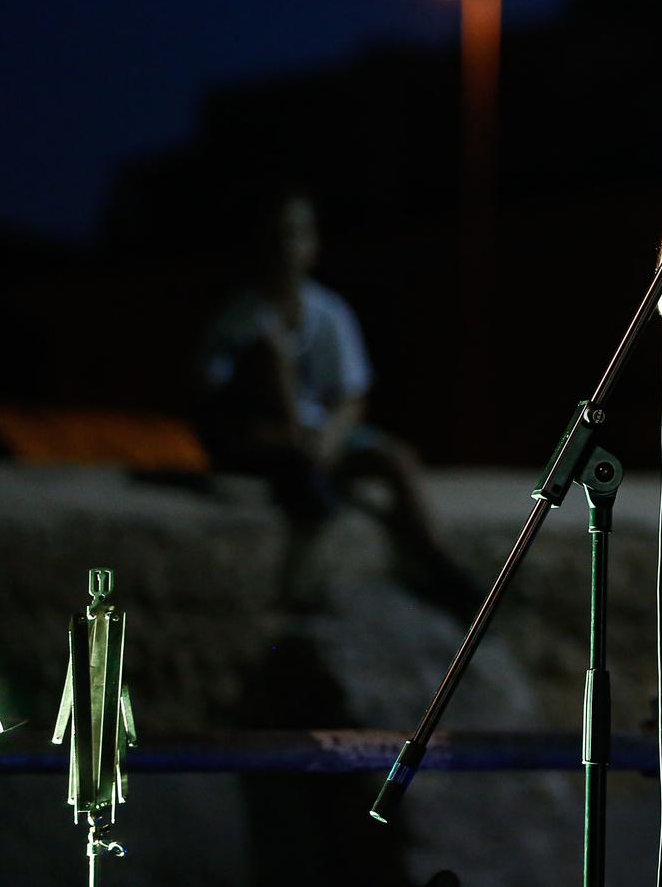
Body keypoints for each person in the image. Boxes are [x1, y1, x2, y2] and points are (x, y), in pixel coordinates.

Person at [196, 187, 477, 616]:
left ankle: (436, 564)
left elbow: (352, 395)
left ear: (314, 244)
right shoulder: (240, 318)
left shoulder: (329, 312)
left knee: (396, 458)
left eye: (297, 235)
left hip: (317, 440)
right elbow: (211, 398)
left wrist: (328, 437)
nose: (287, 248)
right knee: (270, 351)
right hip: (261, 440)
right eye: (277, 236)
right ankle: (306, 510)